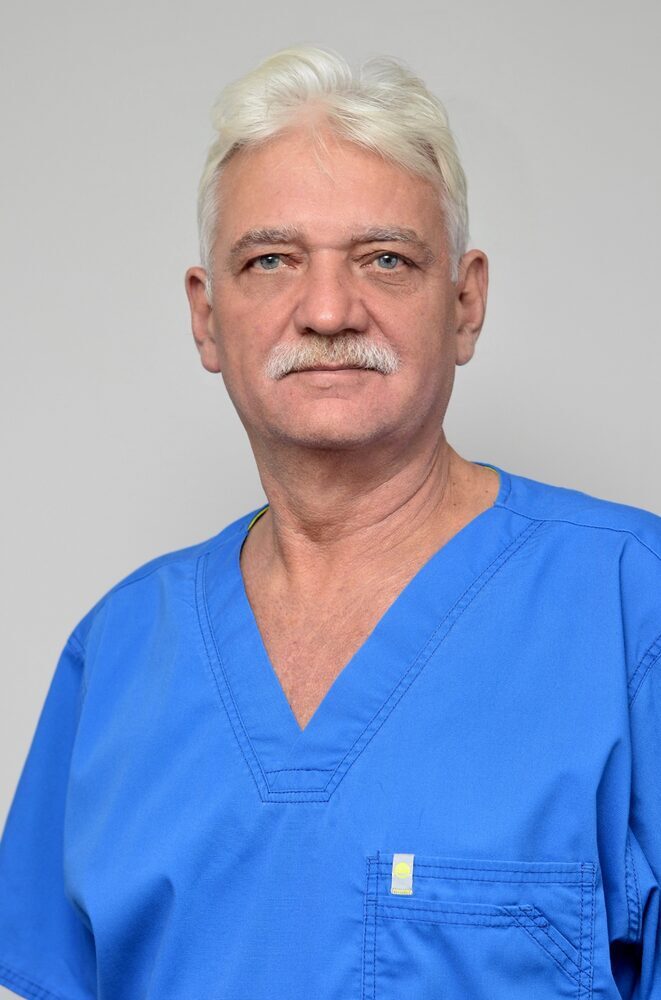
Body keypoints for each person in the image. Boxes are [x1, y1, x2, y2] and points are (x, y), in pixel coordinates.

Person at [0, 43, 659, 1000]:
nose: (325, 310)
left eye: (384, 259)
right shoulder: (119, 652)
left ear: (464, 303)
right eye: (270, 260)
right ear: (207, 317)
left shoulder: (629, 607)